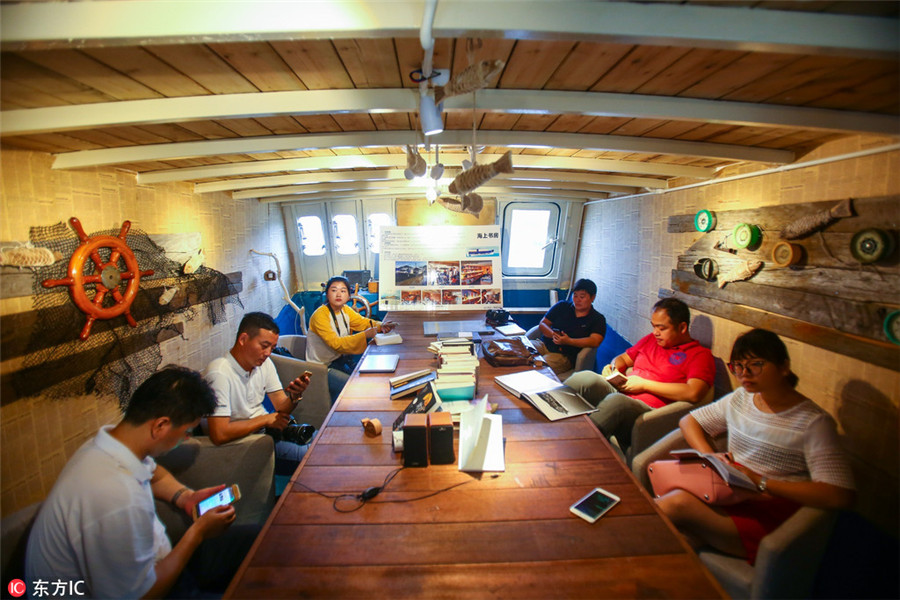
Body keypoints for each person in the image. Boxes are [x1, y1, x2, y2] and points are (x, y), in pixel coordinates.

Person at [25, 366, 254, 598]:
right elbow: (141, 595)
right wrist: (197, 533)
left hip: (161, 564)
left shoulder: (110, 446)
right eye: (187, 432)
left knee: (258, 542)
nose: (186, 439)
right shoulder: (116, 496)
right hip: (151, 588)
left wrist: (185, 496)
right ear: (160, 426)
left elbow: (154, 474)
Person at [655, 328, 855, 564]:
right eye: (738, 366)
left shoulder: (812, 422)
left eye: (755, 364)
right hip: (732, 492)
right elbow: (689, 421)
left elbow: (841, 495)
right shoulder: (742, 398)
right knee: (666, 538)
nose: (744, 374)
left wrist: (761, 481)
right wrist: (712, 457)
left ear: (784, 366)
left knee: (677, 504)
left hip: (769, 512)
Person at [565, 297, 715, 452]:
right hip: (623, 391)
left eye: (662, 328)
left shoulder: (700, 355)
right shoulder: (652, 340)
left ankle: (576, 447)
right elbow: (623, 358)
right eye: (654, 327)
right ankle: (550, 416)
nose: (655, 333)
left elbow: (694, 393)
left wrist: (644, 384)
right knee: (584, 377)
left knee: (617, 402)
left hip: (649, 412)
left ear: (682, 328)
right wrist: (614, 367)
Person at [205, 311, 313, 475]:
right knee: (317, 459)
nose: (268, 353)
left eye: (272, 348)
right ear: (243, 339)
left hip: (267, 433)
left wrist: (294, 397)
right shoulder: (219, 373)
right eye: (264, 346)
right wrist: (265, 420)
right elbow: (219, 434)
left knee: (328, 442)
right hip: (245, 444)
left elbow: (281, 407)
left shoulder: (264, 364)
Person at [306, 275, 397, 401]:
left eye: (343, 291)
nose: (338, 294)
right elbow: (336, 343)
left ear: (348, 295)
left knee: (372, 380)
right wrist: (365, 335)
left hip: (340, 361)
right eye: (334, 290)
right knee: (356, 388)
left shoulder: (345, 310)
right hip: (322, 368)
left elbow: (362, 322)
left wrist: (382, 326)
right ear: (327, 294)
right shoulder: (320, 315)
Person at [533, 278, 606, 375]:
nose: (577, 300)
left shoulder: (597, 318)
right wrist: (553, 334)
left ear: (592, 298)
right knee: (519, 353)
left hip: (564, 355)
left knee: (538, 367)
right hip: (544, 344)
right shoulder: (562, 306)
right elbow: (543, 323)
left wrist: (569, 341)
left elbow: (595, 340)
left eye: (582, 297)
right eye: (575, 295)